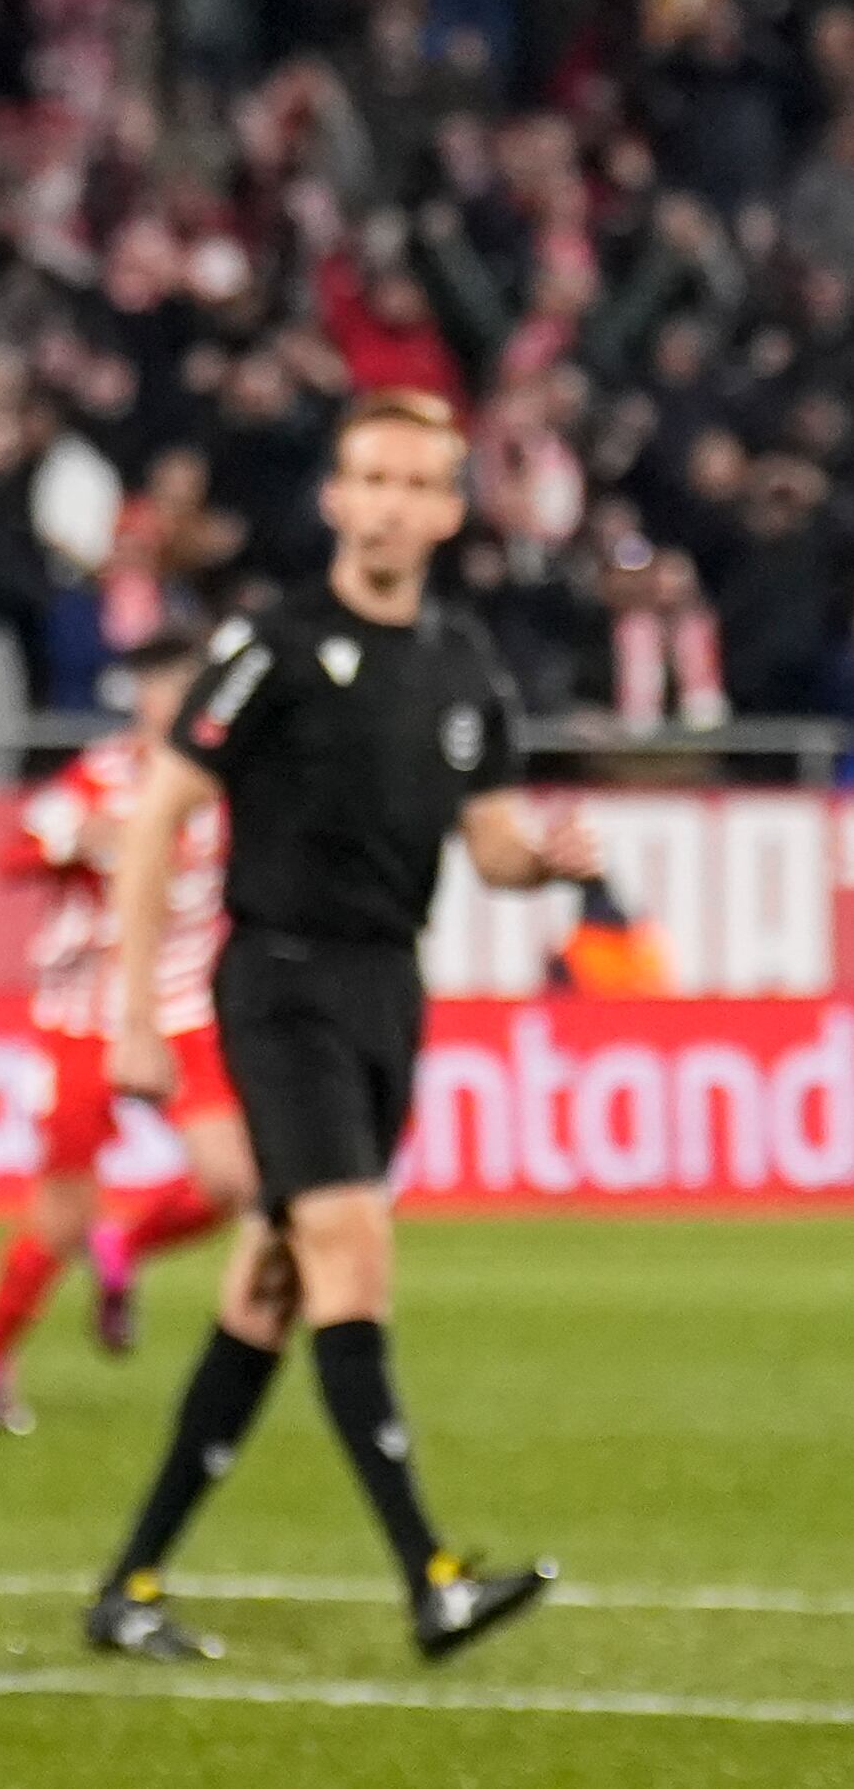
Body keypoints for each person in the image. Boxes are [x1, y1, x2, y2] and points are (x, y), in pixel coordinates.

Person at [82, 389, 604, 1664]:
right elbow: (159, 817)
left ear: (446, 506)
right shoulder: (270, 641)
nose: (383, 501)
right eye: (364, 476)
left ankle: (130, 1584)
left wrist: (545, 861)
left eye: (412, 481)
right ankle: (431, 1575)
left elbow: (487, 844)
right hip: (281, 983)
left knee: (268, 1285)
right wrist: (135, 1013)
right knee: (349, 1257)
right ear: (335, 496)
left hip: (388, 989)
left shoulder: (464, 664)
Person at [0, 629, 254, 1436]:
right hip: (85, 1017)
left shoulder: (228, 781)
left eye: (181, 683)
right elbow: (11, 855)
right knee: (61, 1213)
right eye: (155, 686)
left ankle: (124, 1247)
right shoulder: (101, 775)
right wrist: (73, 842)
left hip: (182, 1009)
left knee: (232, 1179)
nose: (166, 700)